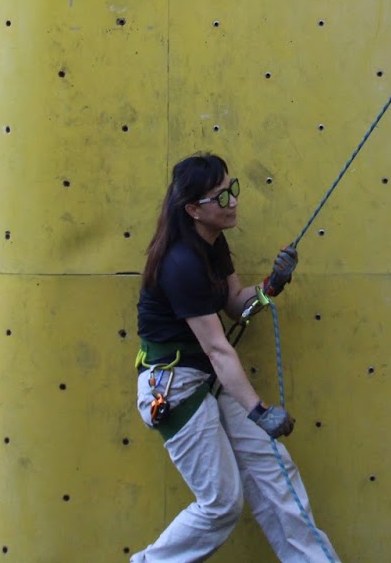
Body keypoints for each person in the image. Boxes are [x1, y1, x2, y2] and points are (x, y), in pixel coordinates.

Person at [132, 152, 341, 562]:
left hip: (208, 378)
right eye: (220, 196)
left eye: (232, 189)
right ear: (193, 209)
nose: (233, 201)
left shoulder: (213, 243)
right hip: (174, 387)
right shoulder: (180, 263)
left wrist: (272, 285)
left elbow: (236, 304)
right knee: (221, 503)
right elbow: (216, 347)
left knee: (274, 471)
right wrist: (259, 411)